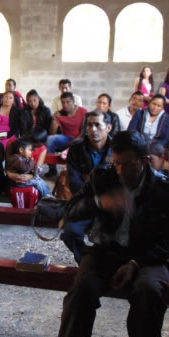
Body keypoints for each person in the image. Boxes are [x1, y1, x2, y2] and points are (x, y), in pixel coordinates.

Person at [58, 131, 169, 337]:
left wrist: (136, 263)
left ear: (144, 161)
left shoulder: (165, 189)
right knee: (81, 291)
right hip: (107, 250)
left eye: (126, 164)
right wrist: (100, 202)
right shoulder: (103, 177)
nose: (119, 170)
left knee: (148, 292)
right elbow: (70, 210)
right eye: (116, 163)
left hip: (148, 256)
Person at [62, 110, 113, 264]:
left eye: (97, 125)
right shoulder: (76, 149)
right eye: (89, 125)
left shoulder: (117, 148)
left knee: (113, 237)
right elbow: (74, 182)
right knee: (70, 232)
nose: (93, 129)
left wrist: (90, 180)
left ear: (108, 127)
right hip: (86, 203)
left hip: (112, 205)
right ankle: (85, 262)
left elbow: (119, 183)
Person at [46, 92, 89, 177]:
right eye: (63, 103)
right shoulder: (61, 113)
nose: (65, 105)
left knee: (79, 146)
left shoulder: (83, 111)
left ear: (73, 102)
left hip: (80, 138)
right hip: (66, 138)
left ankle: (77, 171)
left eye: (68, 102)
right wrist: (54, 119)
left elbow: (85, 132)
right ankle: (52, 169)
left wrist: (74, 142)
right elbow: (52, 134)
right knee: (50, 139)